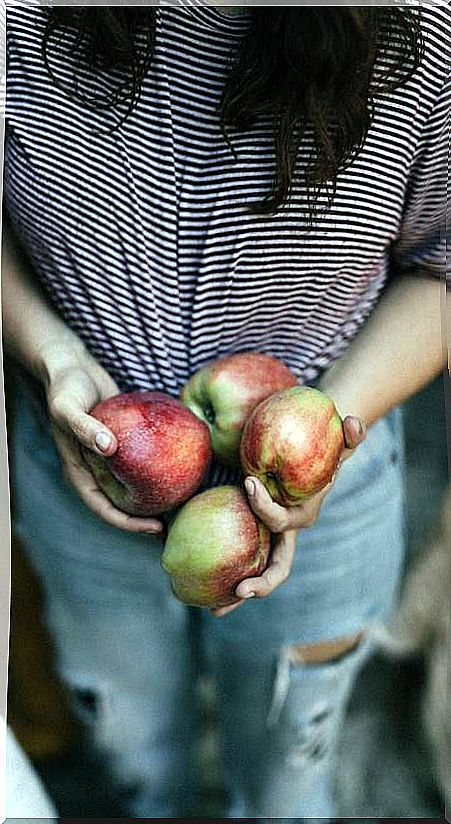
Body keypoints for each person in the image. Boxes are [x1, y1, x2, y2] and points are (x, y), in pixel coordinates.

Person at [2, 3, 449, 818]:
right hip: (86, 476)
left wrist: (325, 425)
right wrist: (52, 355)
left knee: (286, 771)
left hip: (323, 492)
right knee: (135, 751)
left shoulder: (416, 32)